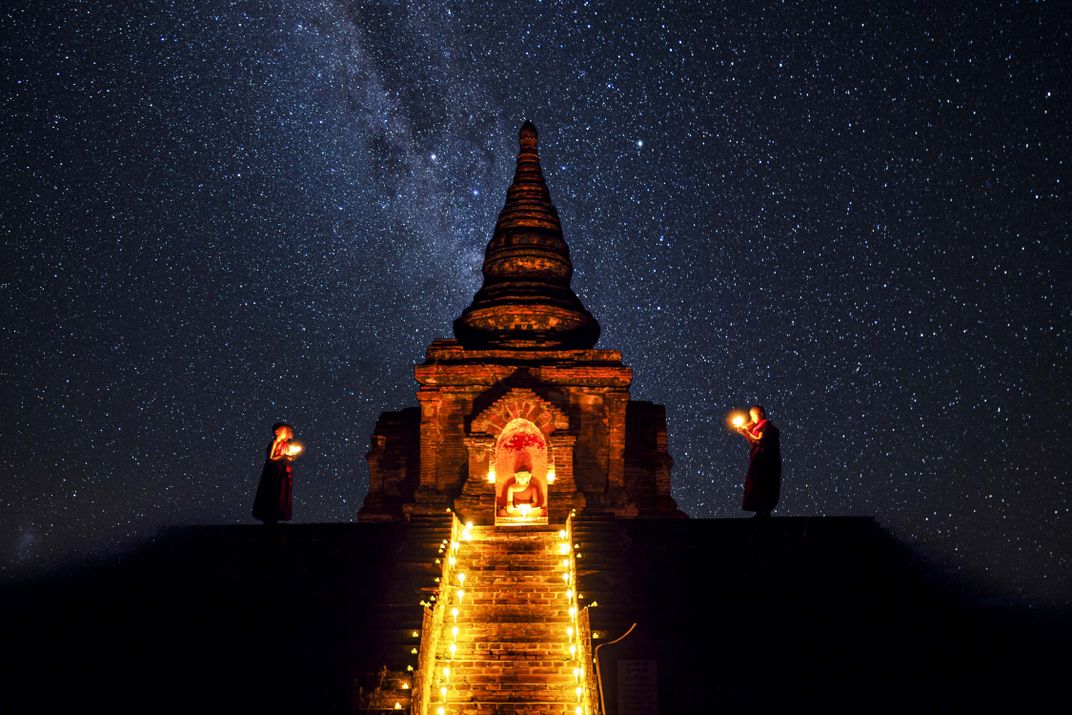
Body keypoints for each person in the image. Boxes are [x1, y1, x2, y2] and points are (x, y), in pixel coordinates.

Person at [734, 405, 782, 518]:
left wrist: (747, 432)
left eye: (753, 415)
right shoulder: (758, 426)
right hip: (758, 460)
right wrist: (745, 432)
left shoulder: (766, 426)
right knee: (755, 484)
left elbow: (760, 440)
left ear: (759, 414)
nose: (752, 418)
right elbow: (753, 442)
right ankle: (760, 511)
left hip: (766, 461)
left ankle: (764, 511)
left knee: (764, 484)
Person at [252, 422, 296, 523]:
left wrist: (290, 457)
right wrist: (284, 456)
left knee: (281, 494)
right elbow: (271, 459)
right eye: (287, 431)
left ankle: (277, 515)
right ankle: (269, 518)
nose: (290, 433)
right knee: (272, 493)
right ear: (278, 432)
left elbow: (287, 458)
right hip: (273, 473)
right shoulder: (274, 443)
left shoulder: (286, 445)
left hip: (283, 473)